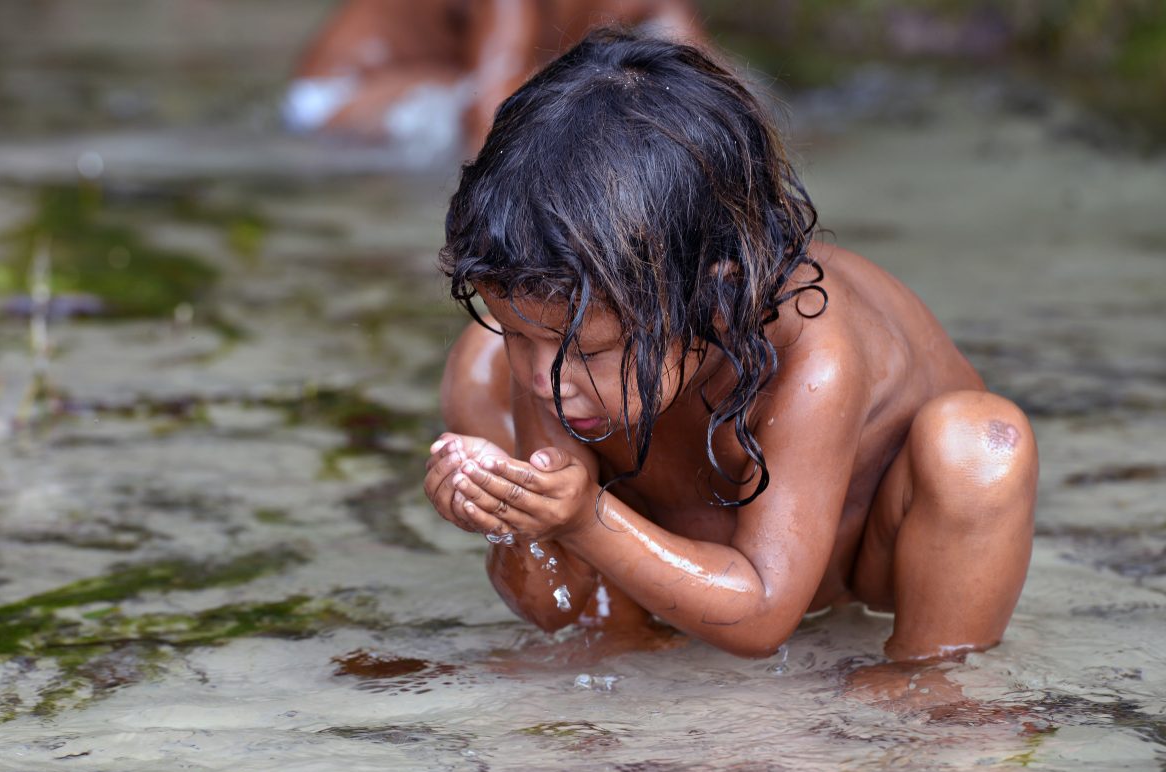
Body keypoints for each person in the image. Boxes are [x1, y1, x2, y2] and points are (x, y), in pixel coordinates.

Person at [424, 29, 1038, 663]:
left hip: (855, 558)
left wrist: (583, 520)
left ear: (716, 298)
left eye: (585, 349)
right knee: (478, 364)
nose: (540, 378)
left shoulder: (815, 356)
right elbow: (551, 608)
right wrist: (513, 521)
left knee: (979, 446)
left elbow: (763, 615)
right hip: (677, 540)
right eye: (520, 334)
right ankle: (632, 627)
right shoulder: (558, 355)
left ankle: (935, 675)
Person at [282, 0, 704, 155]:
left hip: (457, 78)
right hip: (334, 98)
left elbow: (714, 87)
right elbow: (488, 119)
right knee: (501, 106)